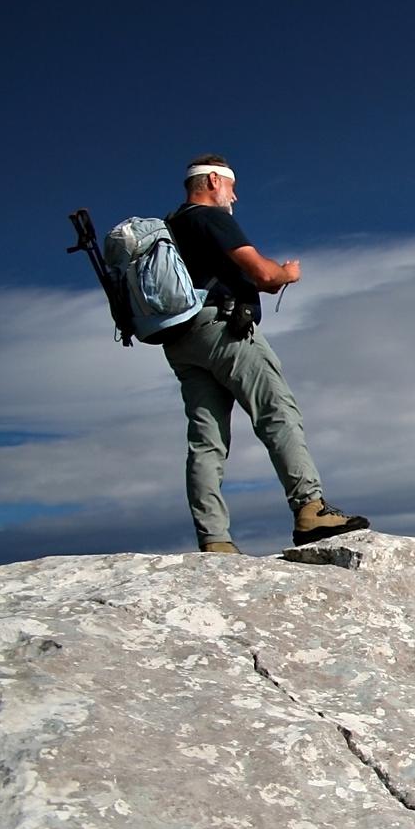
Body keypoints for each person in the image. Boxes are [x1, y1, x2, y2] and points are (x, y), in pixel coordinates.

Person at [161, 154, 369, 553]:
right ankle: (310, 509)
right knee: (277, 411)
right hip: (224, 330)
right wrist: (288, 274)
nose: (235, 196)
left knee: (206, 441)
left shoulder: (172, 228)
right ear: (212, 181)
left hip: (181, 342)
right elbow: (264, 275)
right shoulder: (208, 217)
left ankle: (215, 540)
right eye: (231, 186)